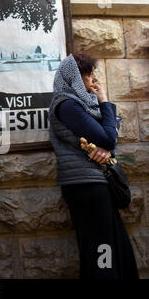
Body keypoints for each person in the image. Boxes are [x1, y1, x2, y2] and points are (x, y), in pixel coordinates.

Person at [49, 53, 139, 279]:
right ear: (75, 79)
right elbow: (108, 138)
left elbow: (109, 138)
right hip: (87, 186)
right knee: (102, 247)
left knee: (113, 244)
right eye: (88, 75)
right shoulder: (67, 105)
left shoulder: (82, 105)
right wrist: (105, 101)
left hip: (95, 182)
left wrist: (107, 145)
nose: (94, 79)